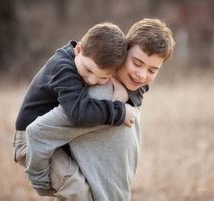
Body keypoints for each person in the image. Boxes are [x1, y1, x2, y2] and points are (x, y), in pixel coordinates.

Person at [24, 18, 175, 201]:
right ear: (123, 53)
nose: (142, 75)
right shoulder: (96, 96)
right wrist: (40, 181)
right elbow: (38, 132)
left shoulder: (128, 90)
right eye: (136, 62)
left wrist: (125, 98)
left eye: (152, 70)